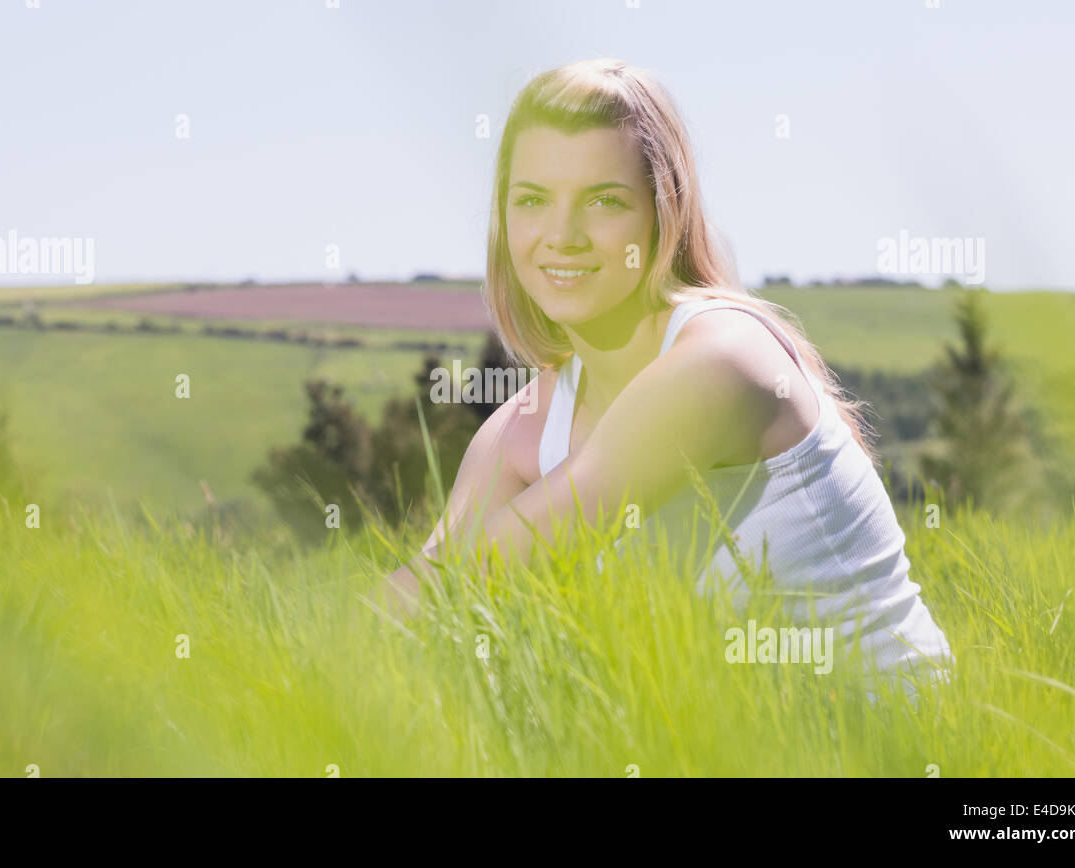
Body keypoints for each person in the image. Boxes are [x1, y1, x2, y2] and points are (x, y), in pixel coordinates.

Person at [378, 58, 953, 691]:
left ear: (663, 211)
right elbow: (422, 589)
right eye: (533, 200)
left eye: (604, 201)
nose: (561, 235)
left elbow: (475, 578)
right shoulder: (522, 428)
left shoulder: (721, 361)